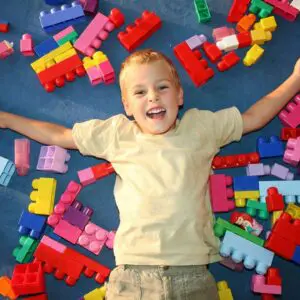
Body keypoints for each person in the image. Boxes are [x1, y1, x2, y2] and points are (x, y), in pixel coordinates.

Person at [1, 49, 300, 299]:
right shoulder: (117, 133)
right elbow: (60, 135)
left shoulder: (202, 127)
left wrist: (296, 79)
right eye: (140, 92)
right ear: (127, 106)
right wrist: (8, 120)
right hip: (133, 278)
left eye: (162, 87)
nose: (153, 98)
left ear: (180, 95)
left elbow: (253, 118)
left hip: (194, 276)